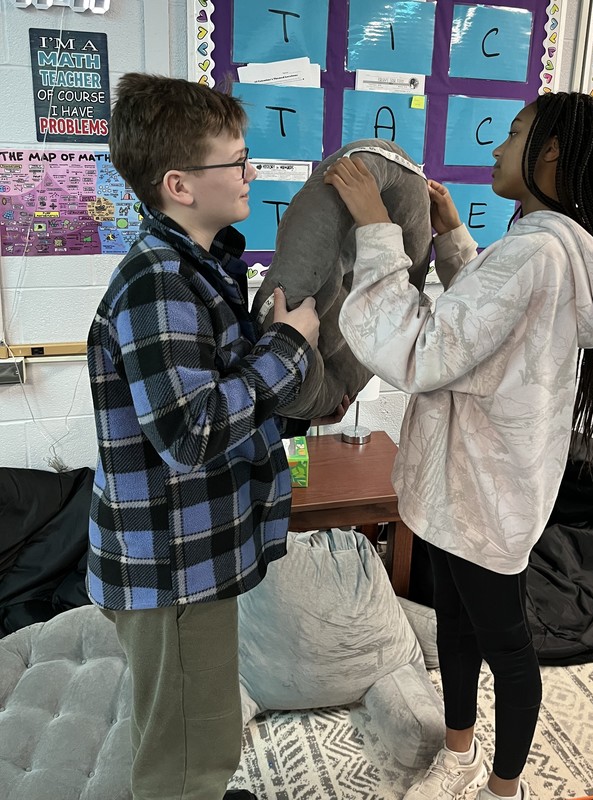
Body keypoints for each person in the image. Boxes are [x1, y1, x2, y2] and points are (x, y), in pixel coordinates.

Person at [324, 91, 593, 800]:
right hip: (476, 479)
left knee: (507, 647)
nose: (497, 148)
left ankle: (503, 789)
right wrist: (455, 236)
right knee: (456, 623)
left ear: (549, 151)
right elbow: (481, 330)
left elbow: (423, 351)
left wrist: (377, 233)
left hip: (481, 486)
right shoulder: (555, 249)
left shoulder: (535, 253)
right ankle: (459, 754)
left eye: (514, 134)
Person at [87, 74, 346, 800]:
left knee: (200, 724)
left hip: (192, 555)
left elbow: (223, 393)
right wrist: (289, 347)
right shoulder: (157, 283)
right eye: (234, 162)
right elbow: (191, 432)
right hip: (170, 567)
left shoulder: (202, 269)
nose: (249, 173)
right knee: (183, 755)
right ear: (178, 184)